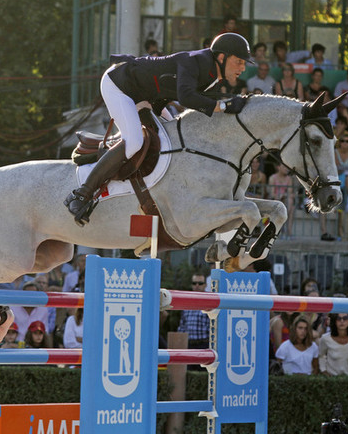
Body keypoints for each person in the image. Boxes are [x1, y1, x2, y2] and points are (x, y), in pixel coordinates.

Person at [64, 33, 253, 226]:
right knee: (134, 142)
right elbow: (187, 98)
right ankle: (80, 195)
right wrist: (224, 107)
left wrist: (226, 106)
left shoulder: (213, 74)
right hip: (120, 85)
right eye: (238, 61)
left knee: (174, 135)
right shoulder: (196, 62)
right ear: (221, 58)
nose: (243, 68)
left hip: (146, 95)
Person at [177, 273, 210, 353]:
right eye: (194, 283)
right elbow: (182, 326)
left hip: (204, 345)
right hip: (189, 345)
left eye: (200, 283)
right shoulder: (187, 302)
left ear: (205, 285)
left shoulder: (210, 301)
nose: (197, 285)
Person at [268, 164, 296, 237]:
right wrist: (279, 196)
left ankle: (287, 231)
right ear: (278, 167)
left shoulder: (289, 178)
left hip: (285, 200)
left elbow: (290, 193)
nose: (287, 169)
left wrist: (283, 195)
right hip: (275, 200)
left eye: (287, 167)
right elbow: (272, 194)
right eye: (284, 167)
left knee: (290, 203)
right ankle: (286, 230)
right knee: (289, 205)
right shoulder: (272, 178)